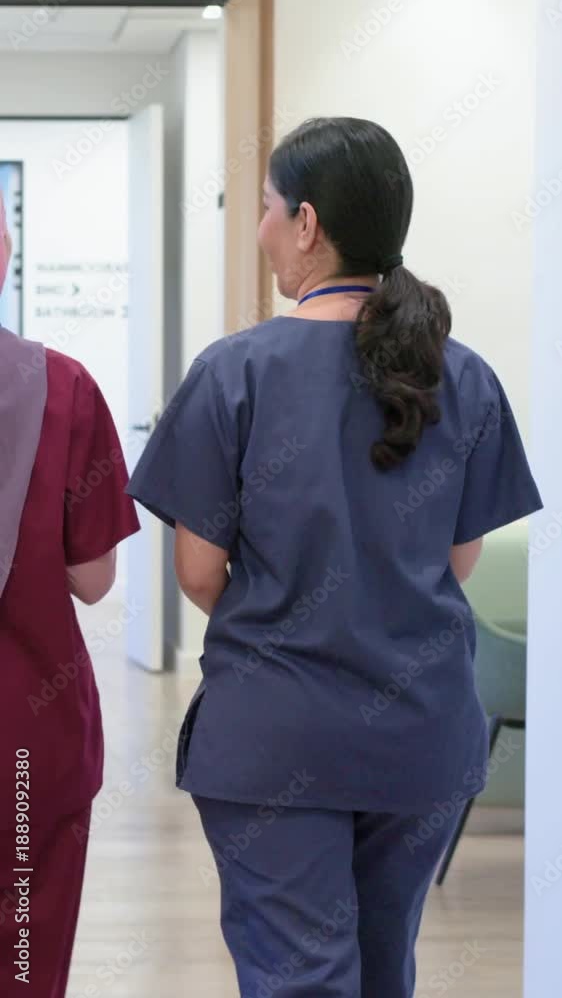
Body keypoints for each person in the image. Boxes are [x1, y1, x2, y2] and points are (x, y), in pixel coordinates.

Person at [126, 117, 543, 998]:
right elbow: (458, 563)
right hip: (422, 735)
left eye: (267, 207)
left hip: (275, 739)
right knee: (384, 970)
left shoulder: (235, 372)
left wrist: (285, 622)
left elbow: (198, 573)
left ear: (307, 223)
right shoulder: (462, 375)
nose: (262, 229)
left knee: (300, 976)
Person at [0, 190, 140, 996]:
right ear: (4, 252)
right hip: (27, 740)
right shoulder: (62, 386)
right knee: (23, 956)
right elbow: (94, 580)